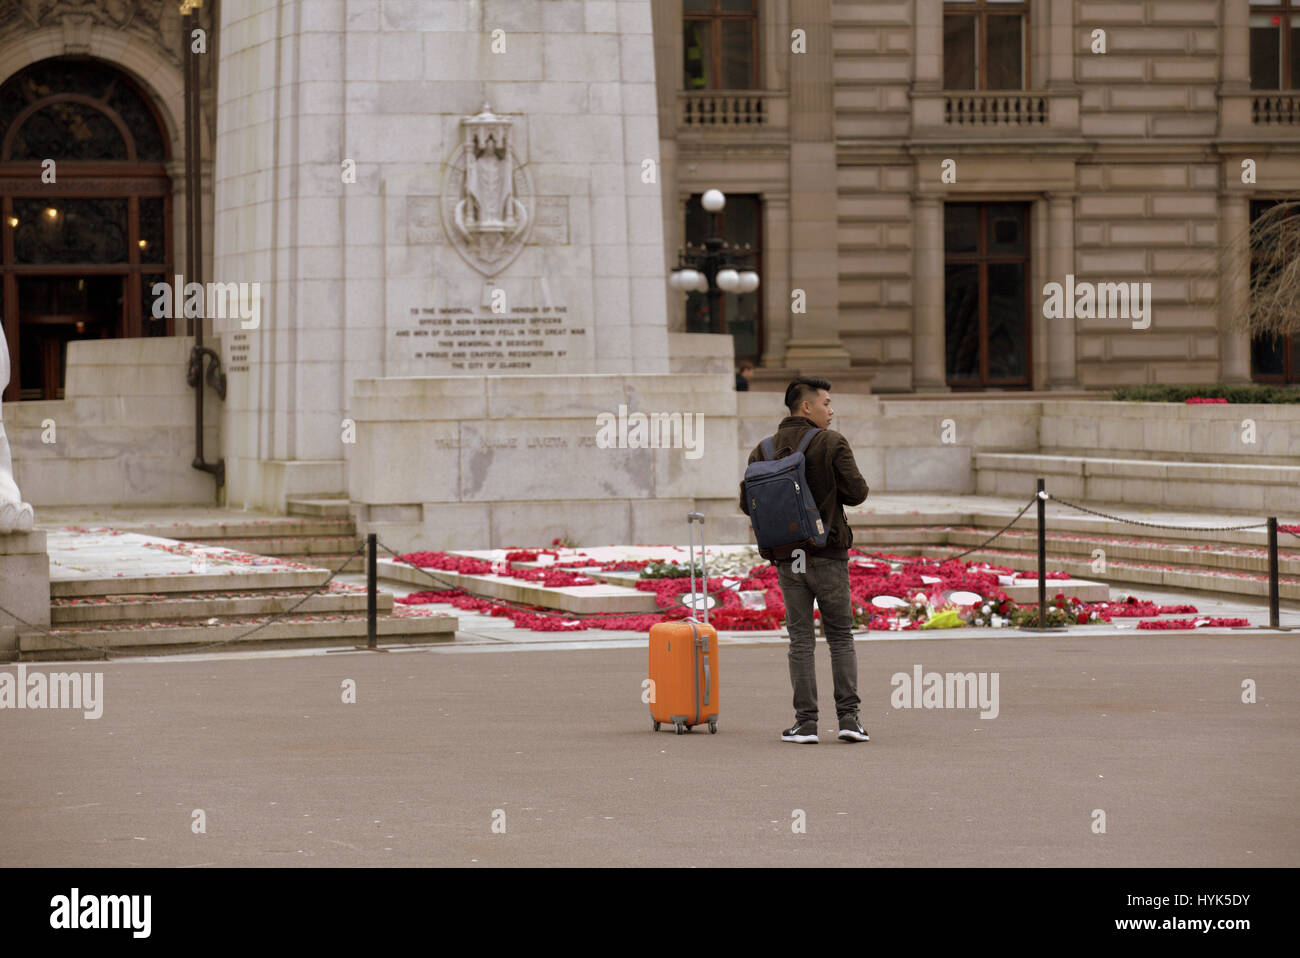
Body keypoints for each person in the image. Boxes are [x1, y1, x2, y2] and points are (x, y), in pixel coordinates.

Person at [738, 376, 869, 744]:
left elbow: (747, 503)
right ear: (806, 407)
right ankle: (849, 719)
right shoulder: (831, 443)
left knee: (800, 640)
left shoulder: (762, 450)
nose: (831, 410)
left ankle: (806, 723)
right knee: (840, 636)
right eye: (826, 403)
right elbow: (857, 493)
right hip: (827, 553)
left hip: (788, 558)